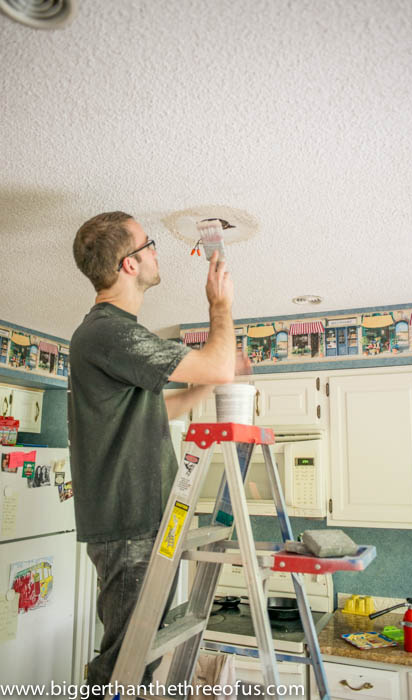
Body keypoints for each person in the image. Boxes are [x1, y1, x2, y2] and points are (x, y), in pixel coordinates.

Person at [69, 211, 240, 696]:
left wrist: (208, 380)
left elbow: (158, 407)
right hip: (130, 523)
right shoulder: (108, 331)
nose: (156, 251)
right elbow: (219, 364)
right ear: (128, 264)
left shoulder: (113, 337)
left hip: (144, 518)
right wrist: (220, 306)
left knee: (138, 656)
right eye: (149, 244)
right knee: (126, 664)